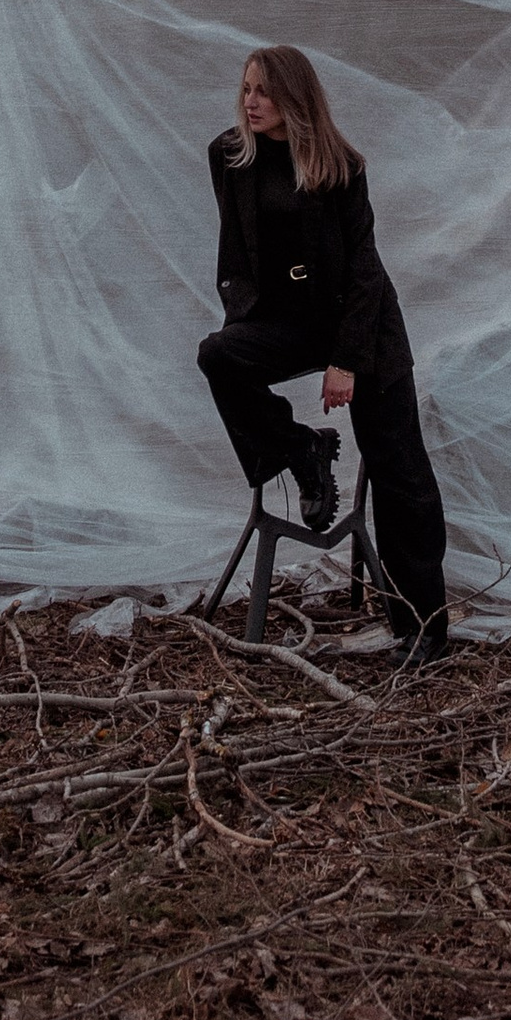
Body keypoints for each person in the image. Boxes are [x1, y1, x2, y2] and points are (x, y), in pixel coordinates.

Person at [197, 43, 452, 671]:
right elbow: (240, 251)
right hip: (286, 321)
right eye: (246, 88)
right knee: (219, 357)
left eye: (265, 91)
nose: (251, 102)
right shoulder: (230, 156)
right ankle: (304, 453)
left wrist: (346, 360)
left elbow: (365, 271)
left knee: (401, 475)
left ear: (295, 97)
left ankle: (422, 628)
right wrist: (246, 324)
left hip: (361, 325)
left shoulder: (339, 165)